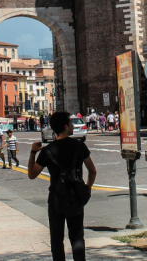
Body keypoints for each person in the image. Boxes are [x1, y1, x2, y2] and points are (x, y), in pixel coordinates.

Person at [28, 112, 97, 261]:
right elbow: (92, 170)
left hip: (56, 198)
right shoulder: (79, 145)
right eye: (71, 124)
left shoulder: (47, 151)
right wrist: (88, 187)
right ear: (66, 126)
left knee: (57, 238)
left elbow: (32, 174)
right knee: (77, 236)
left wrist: (33, 152)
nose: (72, 126)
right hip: (75, 195)